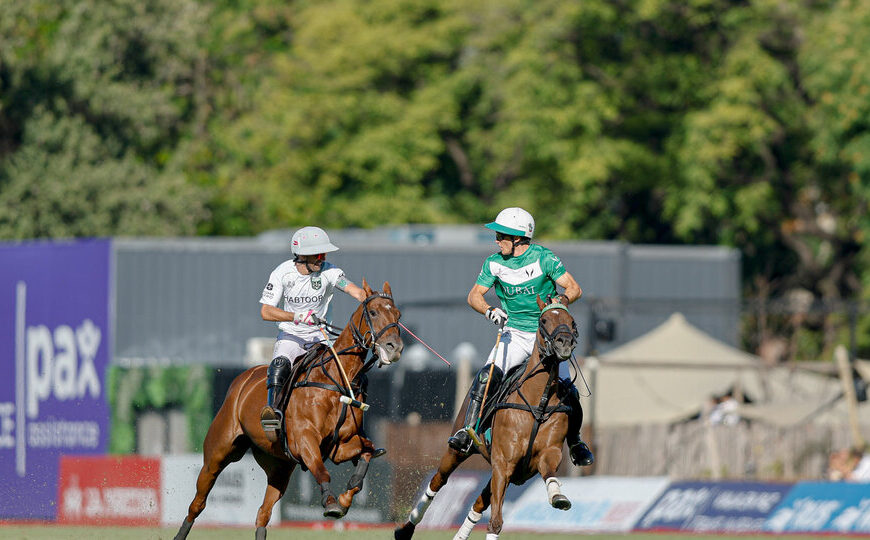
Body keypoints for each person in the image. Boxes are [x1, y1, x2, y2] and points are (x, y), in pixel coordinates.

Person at [446, 207, 595, 466]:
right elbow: (474, 296)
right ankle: (466, 432)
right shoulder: (493, 263)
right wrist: (490, 311)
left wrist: (558, 302)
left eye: (501, 235)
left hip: (543, 338)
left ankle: (576, 442)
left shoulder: (544, 258)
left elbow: (574, 288)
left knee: (568, 389)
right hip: (513, 334)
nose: (496, 240)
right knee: (486, 377)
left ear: (518, 238)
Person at [258, 226, 367, 442]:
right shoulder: (282, 273)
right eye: (318, 254)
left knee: (352, 371)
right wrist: (296, 316)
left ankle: (354, 425)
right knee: (279, 365)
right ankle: (274, 413)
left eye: (324, 254)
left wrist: (368, 298)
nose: (322, 258)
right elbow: (266, 311)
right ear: (302, 255)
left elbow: (350, 288)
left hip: (321, 337)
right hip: (292, 336)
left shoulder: (329, 271)